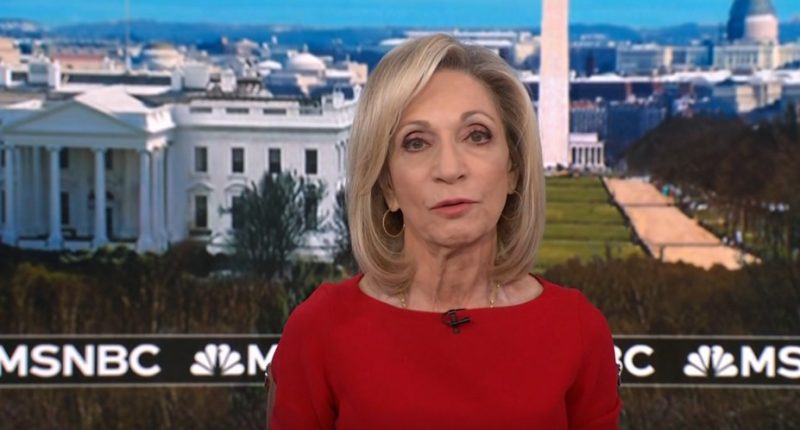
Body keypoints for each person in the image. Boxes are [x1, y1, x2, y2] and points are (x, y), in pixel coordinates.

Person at [266, 33, 622, 429]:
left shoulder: (577, 330)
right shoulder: (320, 331)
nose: (450, 168)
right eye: (416, 143)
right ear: (387, 185)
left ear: (513, 170)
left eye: (477, 135)